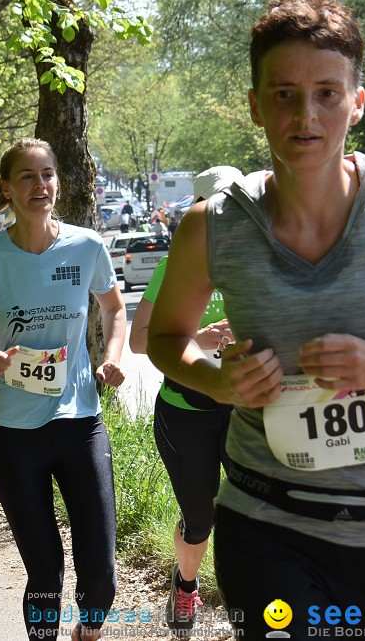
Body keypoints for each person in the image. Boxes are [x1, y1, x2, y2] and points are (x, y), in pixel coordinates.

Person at [145, 0, 365, 638]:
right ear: (254, 105)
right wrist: (217, 380)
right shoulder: (212, 225)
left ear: (356, 103)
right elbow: (165, 339)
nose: (305, 114)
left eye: (327, 94)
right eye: (282, 93)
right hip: (267, 521)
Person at [0, 138, 126, 641]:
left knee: (100, 575)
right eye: (27, 176)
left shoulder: (86, 246)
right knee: (45, 572)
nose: (40, 185)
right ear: (8, 188)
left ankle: (89, 631)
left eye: (47, 174)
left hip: (80, 423)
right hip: (16, 435)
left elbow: (114, 306)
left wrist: (111, 358)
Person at [127, 165, 242, 634]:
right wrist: (203, 336)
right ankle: (187, 583)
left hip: (243, 410)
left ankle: (247, 606)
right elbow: (139, 341)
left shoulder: (259, 262)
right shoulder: (174, 266)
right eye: (217, 207)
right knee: (201, 516)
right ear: (198, 211)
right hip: (185, 411)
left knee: (247, 514)